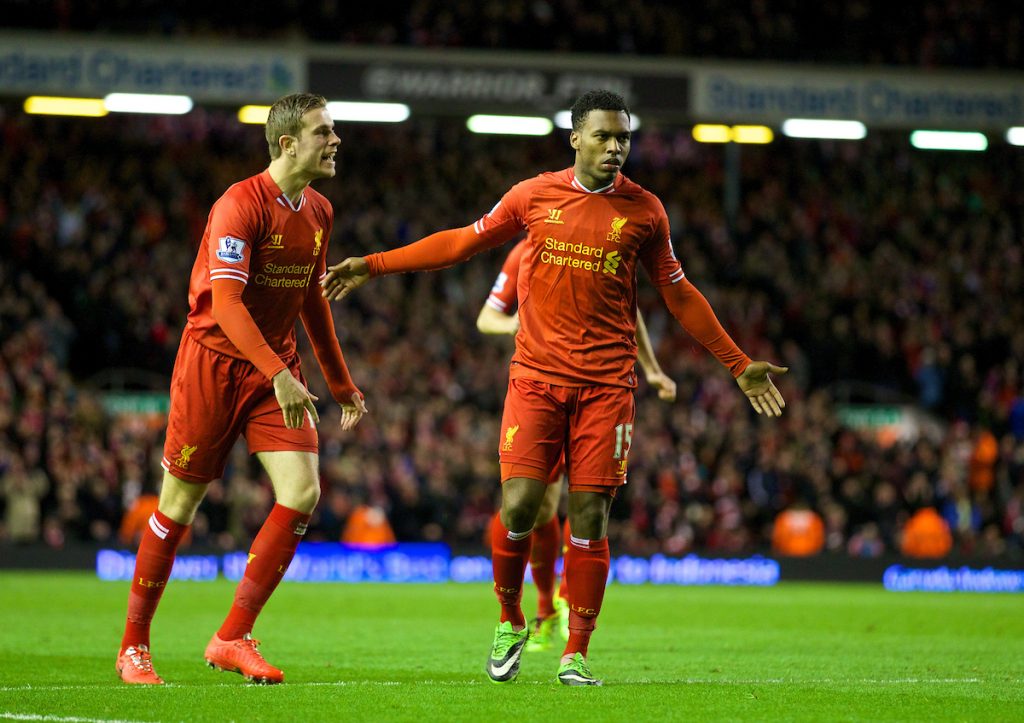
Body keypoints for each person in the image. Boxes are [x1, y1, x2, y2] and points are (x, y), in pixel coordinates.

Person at [321, 89, 786, 686]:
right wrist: (375, 263)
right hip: (536, 381)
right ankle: (511, 619)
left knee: (589, 519)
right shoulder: (533, 196)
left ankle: (576, 653)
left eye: (623, 138)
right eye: (604, 136)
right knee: (518, 505)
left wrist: (736, 362)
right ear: (575, 138)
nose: (616, 147)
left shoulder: (646, 212)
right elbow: (463, 241)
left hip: (606, 389)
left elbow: (677, 294)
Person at [116, 92, 367, 686]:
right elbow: (225, 302)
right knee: (178, 506)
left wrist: (339, 381)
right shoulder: (238, 205)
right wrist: (279, 374)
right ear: (287, 144)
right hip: (214, 365)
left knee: (301, 493)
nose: (335, 141)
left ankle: (231, 636)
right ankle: (133, 646)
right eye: (323, 132)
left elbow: (309, 298)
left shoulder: (319, 212)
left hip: (273, 368)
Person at [477, 238, 677, 652]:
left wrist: (652, 369)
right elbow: (487, 318)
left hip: (597, 392)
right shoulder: (525, 252)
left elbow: (627, 308)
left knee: (587, 502)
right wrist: (518, 323)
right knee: (539, 506)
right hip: (542, 392)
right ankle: (546, 610)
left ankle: (569, 604)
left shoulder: (596, 246)